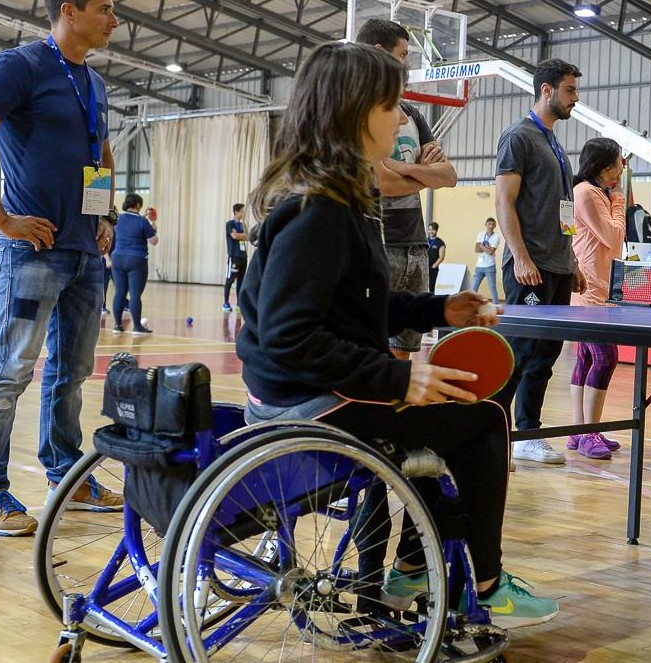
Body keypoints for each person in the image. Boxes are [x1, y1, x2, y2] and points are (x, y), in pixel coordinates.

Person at [235, 41, 558, 628]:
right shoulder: (320, 210)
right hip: (309, 406)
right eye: (392, 105)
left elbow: (356, 308)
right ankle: (487, 584)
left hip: (302, 393)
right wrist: (399, 378)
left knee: (443, 418)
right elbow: (289, 336)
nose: (402, 117)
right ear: (357, 111)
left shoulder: (334, 195)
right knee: (483, 420)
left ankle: (412, 564)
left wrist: (440, 309)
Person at [0, 0, 125, 536]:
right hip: (32, 253)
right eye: (106, 9)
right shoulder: (19, 66)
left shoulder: (94, 84)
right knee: (10, 371)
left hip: (85, 253)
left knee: (71, 374)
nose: (115, 20)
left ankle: (67, 478)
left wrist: (105, 215)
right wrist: (2, 219)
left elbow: (103, 155)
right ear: (69, 11)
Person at [493, 58, 585, 465]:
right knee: (518, 351)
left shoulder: (555, 144)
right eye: (570, 90)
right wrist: (521, 256)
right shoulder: (518, 137)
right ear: (546, 90)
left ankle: (527, 434)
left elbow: (561, 210)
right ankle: (493, 435)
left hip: (558, 265)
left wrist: (572, 261)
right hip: (528, 266)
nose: (575, 99)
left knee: (546, 355)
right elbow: (503, 201)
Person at [357, 18, 458, 358]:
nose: (408, 63)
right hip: (380, 243)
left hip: (414, 243)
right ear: (379, 53)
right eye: (403, 54)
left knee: (403, 350)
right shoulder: (358, 113)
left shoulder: (411, 113)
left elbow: (449, 176)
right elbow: (379, 182)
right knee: (371, 348)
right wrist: (423, 175)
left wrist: (401, 168)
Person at [566, 137, 627, 461]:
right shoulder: (589, 193)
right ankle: (586, 432)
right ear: (606, 168)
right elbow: (613, 239)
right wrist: (618, 201)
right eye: (619, 161)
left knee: (587, 359)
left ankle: (579, 430)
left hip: (596, 292)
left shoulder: (591, 192)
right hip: (590, 295)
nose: (622, 166)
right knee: (605, 358)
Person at [110, 193, 158, 335]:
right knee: (135, 294)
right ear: (138, 205)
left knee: (119, 292)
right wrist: (153, 224)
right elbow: (154, 241)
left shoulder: (117, 219)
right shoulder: (142, 221)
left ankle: (117, 326)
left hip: (117, 257)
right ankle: (137, 327)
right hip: (136, 259)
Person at [222, 203, 247, 312]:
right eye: (242, 211)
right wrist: (241, 235)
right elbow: (234, 236)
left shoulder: (243, 225)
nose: (243, 213)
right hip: (234, 256)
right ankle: (226, 303)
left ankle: (239, 303)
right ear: (236, 212)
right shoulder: (230, 224)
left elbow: (249, 236)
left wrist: (241, 235)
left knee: (241, 281)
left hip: (243, 256)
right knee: (230, 279)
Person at [473, 217, 501, 302]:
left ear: (495, 226)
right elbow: (476, 249)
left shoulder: (496, 237)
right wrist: (486, 248)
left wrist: (481, 245)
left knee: (492, 288)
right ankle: (471, 306)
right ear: (485, 225)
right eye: (489, 224)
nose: (490, 226)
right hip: (479, 266)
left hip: (490, 266)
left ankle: (496, 306)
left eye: (492, 224)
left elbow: (491, 252)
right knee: (473, 288)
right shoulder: (481, 234)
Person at [427, 222, 446, 293]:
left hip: (432, 268)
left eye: (433, 230)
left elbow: (441, 257)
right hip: (424, 267)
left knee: (431, 287)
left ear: (436, 230)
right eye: (429, 229)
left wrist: (434, 266)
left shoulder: (440, 243)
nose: (431, 232)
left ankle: (431, 301)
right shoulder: (425, 240)